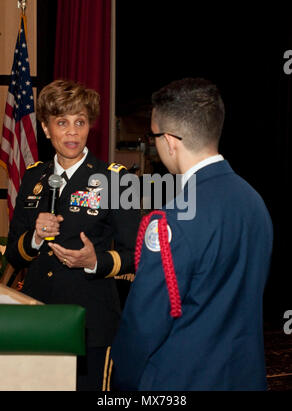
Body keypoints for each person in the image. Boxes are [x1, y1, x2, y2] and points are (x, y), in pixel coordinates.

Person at [111, 78, 273, 391]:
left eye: (154, 136)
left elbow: (144, 325)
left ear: (170, 140)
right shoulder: (254, 201)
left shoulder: (172, 219)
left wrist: (122, 381)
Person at [5, 79, 140, 391]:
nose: (72, 132)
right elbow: (13, 253)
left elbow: (136, 254)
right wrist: (35, 239)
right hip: (39, 318)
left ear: (89, 126)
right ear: (46, 128)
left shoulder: (116, 180)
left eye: (80, 122)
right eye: (61, 122)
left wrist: (95, 261)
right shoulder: (33, 177)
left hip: (91, 322)